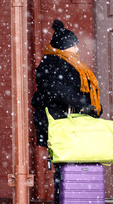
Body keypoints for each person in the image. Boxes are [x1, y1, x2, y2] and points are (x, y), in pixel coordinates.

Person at [31, 19, 102, 148]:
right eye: (74, 45)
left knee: (73, 162)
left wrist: (91, 106)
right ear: (65, 45)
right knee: (67, 161)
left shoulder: (69, 63)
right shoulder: (54, 63)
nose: (77, 49)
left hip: (69, 121)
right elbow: (58, 91)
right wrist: (82, 104)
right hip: (60, 121)